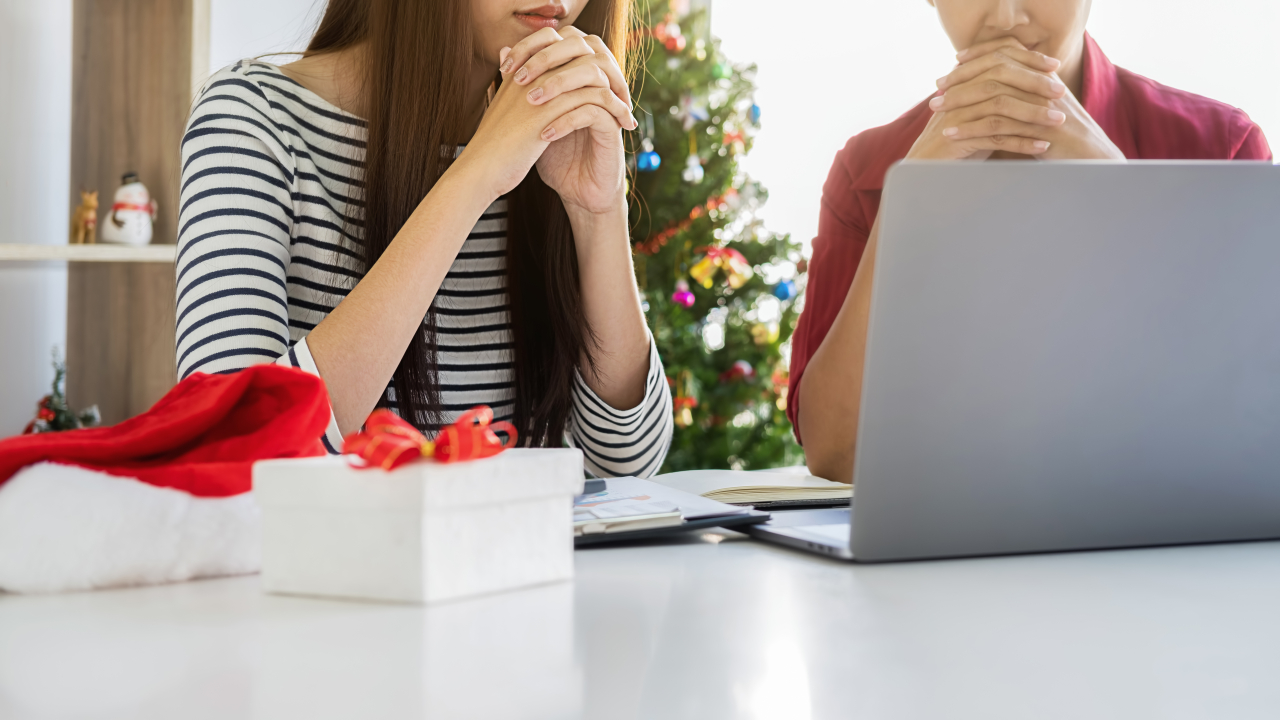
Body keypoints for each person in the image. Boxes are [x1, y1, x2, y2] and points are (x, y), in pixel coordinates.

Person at [175, 0, 673, 477]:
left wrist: (596, 210)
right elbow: (229, 450)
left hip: (514, 561)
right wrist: (475, 175)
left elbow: (627, 458)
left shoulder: (552, 135)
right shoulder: (251, 119)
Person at [788, 0, 1273, 483]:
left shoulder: (1220, 146)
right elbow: (833, 451)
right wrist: (909, 205)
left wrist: (1121, 195)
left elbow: (1250, 425)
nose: (1004, 18)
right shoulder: (865, 172)